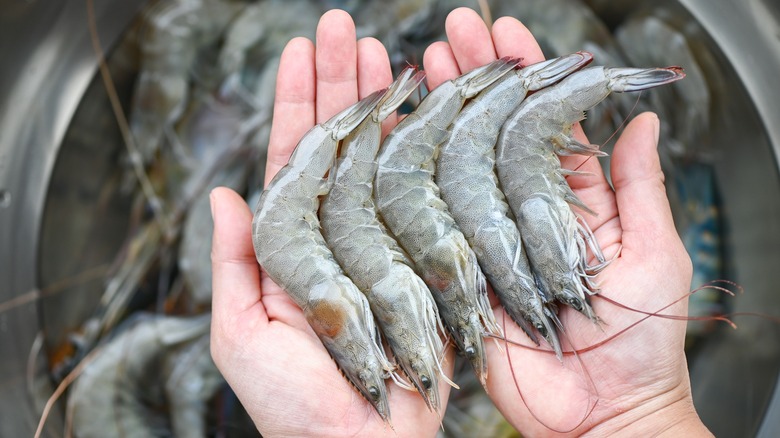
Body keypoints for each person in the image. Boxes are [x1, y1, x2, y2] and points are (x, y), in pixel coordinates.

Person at [209, 7, 712, 437]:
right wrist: (643, 414)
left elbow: (430, 274)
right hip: (400, 180)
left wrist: (639, 411)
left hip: (425, 170)